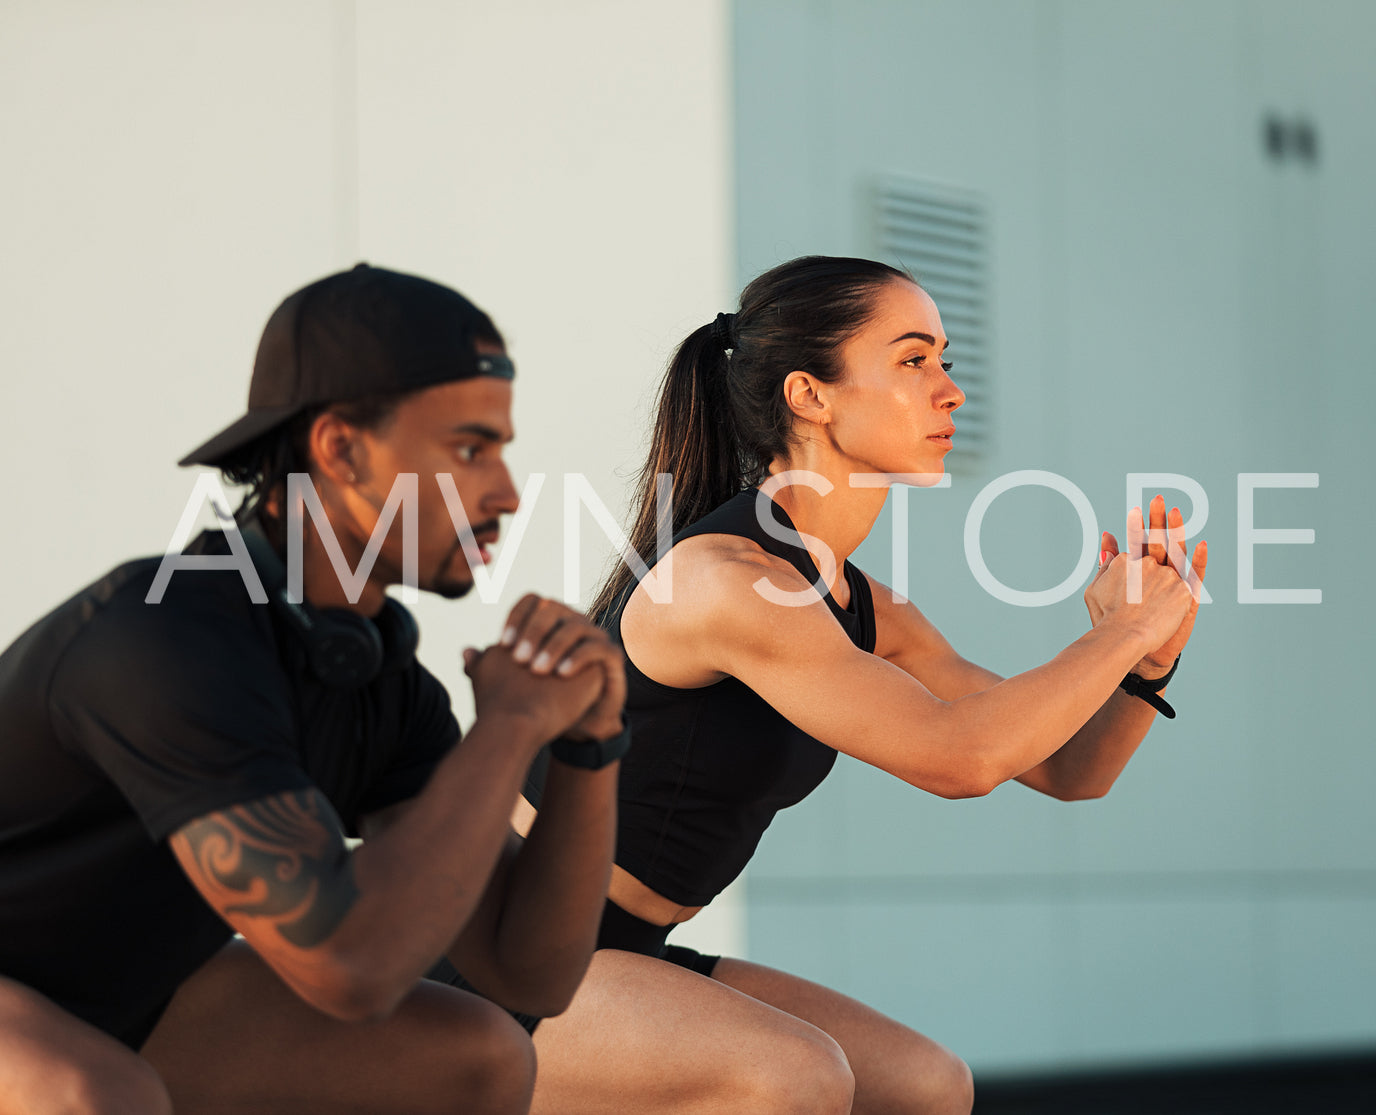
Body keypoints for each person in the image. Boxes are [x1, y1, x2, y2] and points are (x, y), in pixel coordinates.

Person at [510, 255, 1209, 1114]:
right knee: (791, 1074)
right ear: (809, 395)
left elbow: (1070, 769)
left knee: (926, 1085)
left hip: (628, 950)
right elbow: (959, 756)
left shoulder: (859, 603)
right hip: (496, 949)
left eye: (944, 361)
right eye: (913, 360)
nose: (949, 389)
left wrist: (1144, 658)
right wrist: (1125, 628)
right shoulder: (722, 579)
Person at [0, 264, 628, 1114]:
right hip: (47, 1025)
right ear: (339, 447)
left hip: (111, 1000)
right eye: (469, 448)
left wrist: (588, 747)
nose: (509, 492)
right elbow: (349, 968)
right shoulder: (165, 640)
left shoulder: (369, 671)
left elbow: (530, 968)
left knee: (476, 1055)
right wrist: (509, 726)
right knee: (89, 1093)